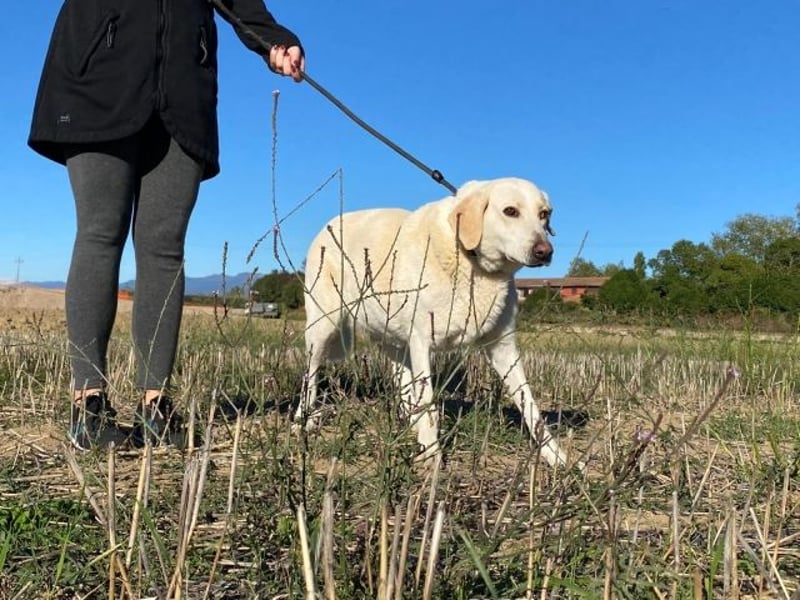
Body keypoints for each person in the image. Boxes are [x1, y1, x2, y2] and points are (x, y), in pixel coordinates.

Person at [28, 0, 304, 450]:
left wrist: (274, 39)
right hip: (98, 76)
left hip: (183, 89)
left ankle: (155, 405)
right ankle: (88, 406)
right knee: (101, 230)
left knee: (165, 244)